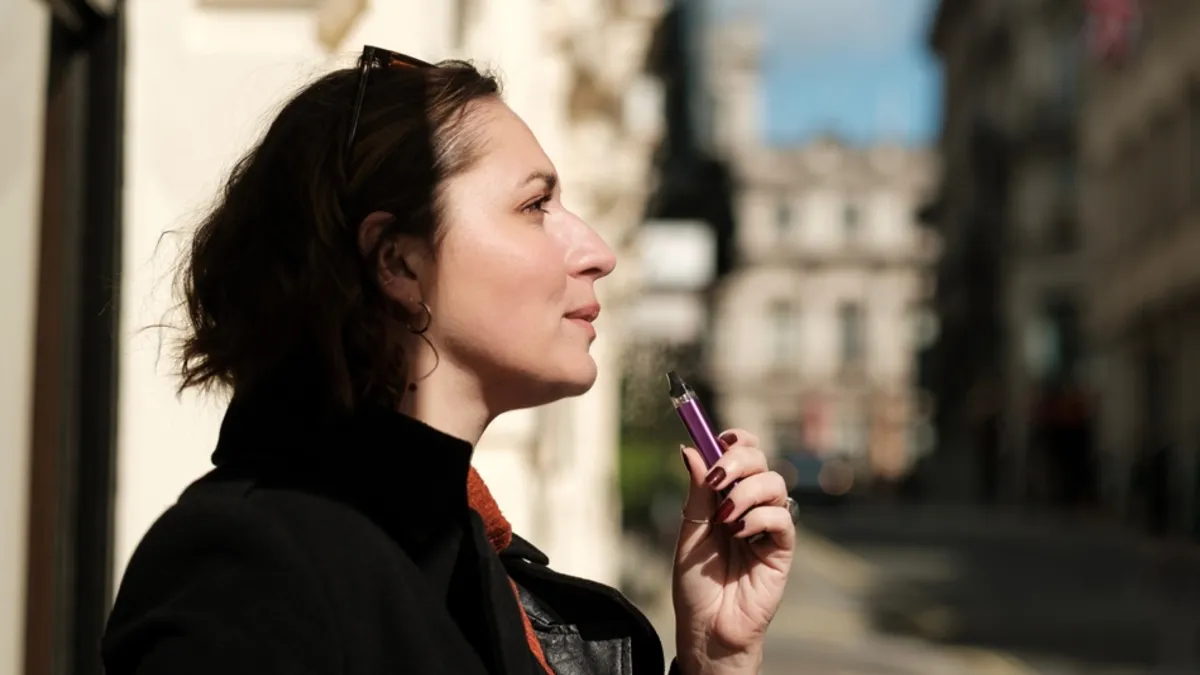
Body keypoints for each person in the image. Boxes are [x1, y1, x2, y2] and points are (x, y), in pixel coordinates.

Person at [101, 47, 796, 675]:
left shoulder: (478, 566)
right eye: (535, 205)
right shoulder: (250, 569)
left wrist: (716, 659)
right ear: (400, 263)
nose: (597, 253)